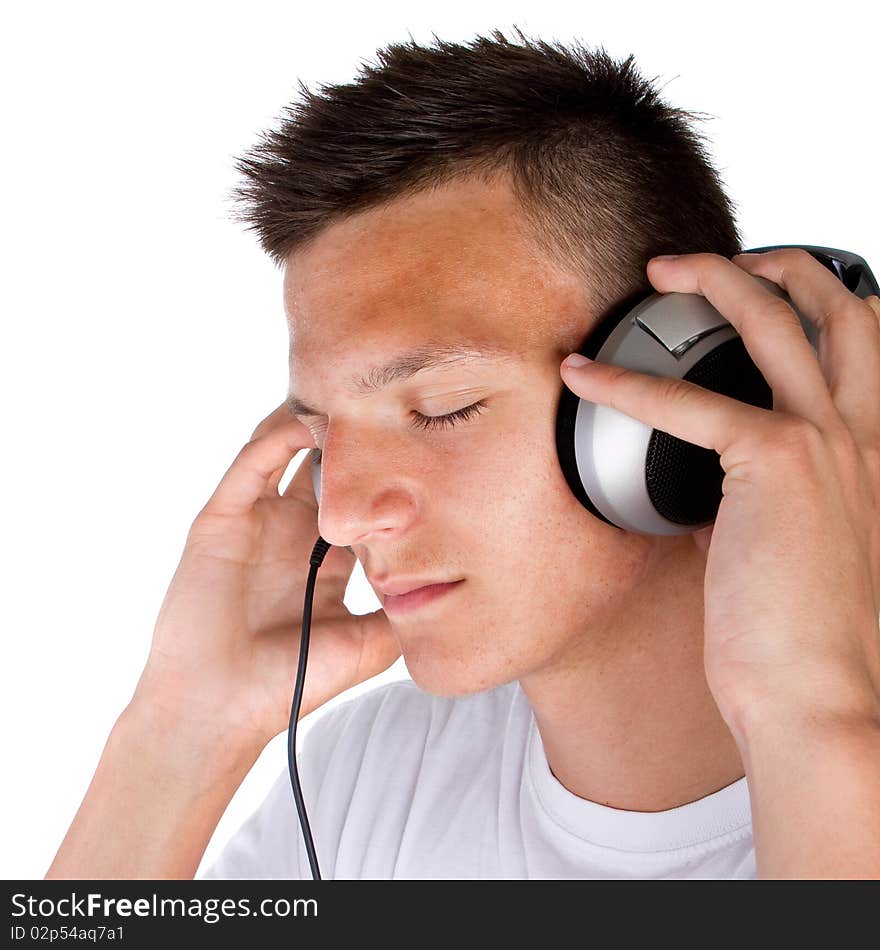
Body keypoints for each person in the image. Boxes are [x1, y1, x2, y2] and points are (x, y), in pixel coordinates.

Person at [46, 28, 880, 881]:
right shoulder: (365, 783)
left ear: (706, 377)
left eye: (442, 408)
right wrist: (180, 733)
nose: (342, 515)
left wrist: (815, 721)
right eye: (326, 433)